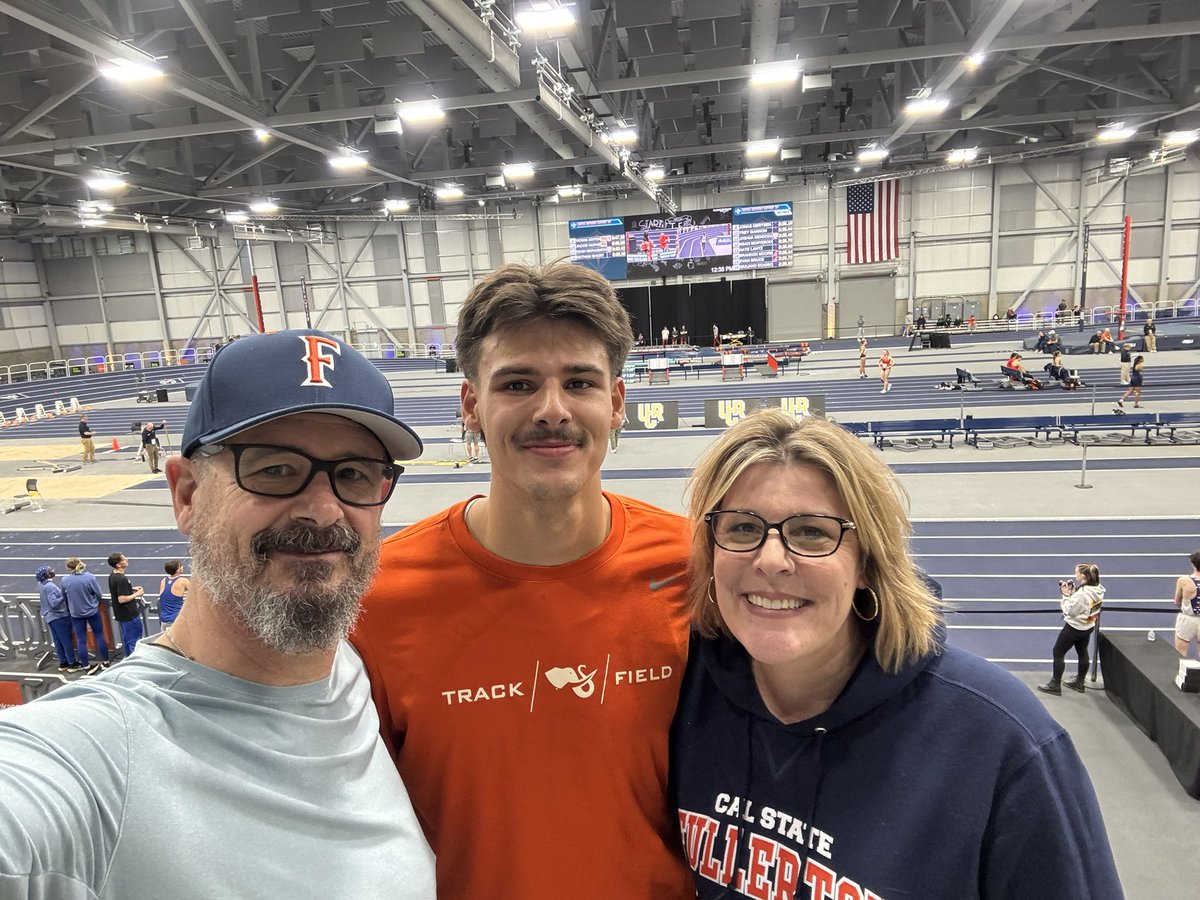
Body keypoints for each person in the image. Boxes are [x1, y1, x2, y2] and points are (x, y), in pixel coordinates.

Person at [0, 328, 436, 897]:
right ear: (186, 494)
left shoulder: (359, 676)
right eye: (275, 469)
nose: (324, 510)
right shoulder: (94, 759)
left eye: (354, 474)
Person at [671, 410, 1122, 900]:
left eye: (811, 532)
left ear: (868, 561)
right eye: (742, 528)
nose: (772, 560)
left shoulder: (1004, 741)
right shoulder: (676, 692)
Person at [352, 261, 694, 900]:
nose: (552, 410)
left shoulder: (694, 568)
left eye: (580, 382)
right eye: (517, 383)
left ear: (616, 403)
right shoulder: (379, 598)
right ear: (471, 405)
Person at [1038, 564, 1105, 695]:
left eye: (1076, 572)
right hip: (1088, 626)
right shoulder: (1098, 589)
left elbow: (1070, 611)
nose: (1075, 574)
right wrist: (1074, 594)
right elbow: (1084, 605)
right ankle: (1080, 682)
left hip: (1074, 627)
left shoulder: (1082, 594)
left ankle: (1055, 684)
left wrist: (1065, 596)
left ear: (1083, 576)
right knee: (1082, 652)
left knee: (1058, 652)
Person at [62, 556, 110, 676]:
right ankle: (106, 662)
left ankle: (86, 666)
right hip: (92, 611)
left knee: (81, 640)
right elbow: (99, 594)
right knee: (99, 635)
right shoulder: (89, 577)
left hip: (76, 614)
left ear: (68, 568)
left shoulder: (65, 580)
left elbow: (64, 597)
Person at [36, 565, 80, 673]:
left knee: (58, 641)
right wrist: (64, 596)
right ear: (46, 575)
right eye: (50, 571)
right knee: (66, 640)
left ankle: (63, 663)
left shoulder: (41, 585)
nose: (52, 571)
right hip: (59, 616)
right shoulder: (50, 586)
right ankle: (72, 664)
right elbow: (54, 603)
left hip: (50, 617)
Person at [107, 552, 145, 657]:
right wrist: (137, 594)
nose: (126, 559)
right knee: (135, 642)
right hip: (130, 615)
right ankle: (135, 663)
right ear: (118, 564)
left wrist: (130, 589)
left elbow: (117, 590)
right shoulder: (122, 579)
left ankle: (128, 659)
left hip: (122, 615)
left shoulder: (112, 575)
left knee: (127, 641)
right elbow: (122, 599)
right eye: (123, 559)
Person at [1173, 550, 1200, 657]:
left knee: (1181, 655)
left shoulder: (1184, 581)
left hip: (1187, 619)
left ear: (1193, 564)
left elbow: (1177, 601)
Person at [156, 559, 189, 626]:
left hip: (164, 621)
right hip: (176, 621)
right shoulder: (183, 581)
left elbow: (169, 594)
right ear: (177, 570)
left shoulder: (163, 580)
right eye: (180, 566)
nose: (182, 567)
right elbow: (194, 593)